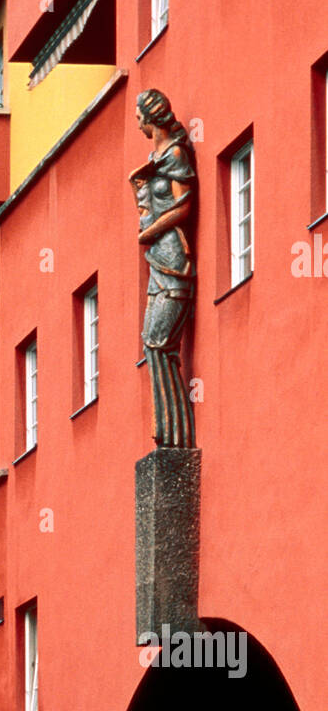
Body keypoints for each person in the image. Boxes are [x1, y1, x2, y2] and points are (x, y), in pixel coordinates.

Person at [129, 89, 197, 448]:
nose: (137, 122)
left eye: (139, 116)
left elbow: (183, 208)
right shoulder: (153, 159)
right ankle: (166, 431)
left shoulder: (175, 154)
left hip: (174, 261)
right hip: (158, 260)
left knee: (160, 343)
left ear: (151, 118)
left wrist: (149, 232)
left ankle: (176, 434)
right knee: (150, 344)